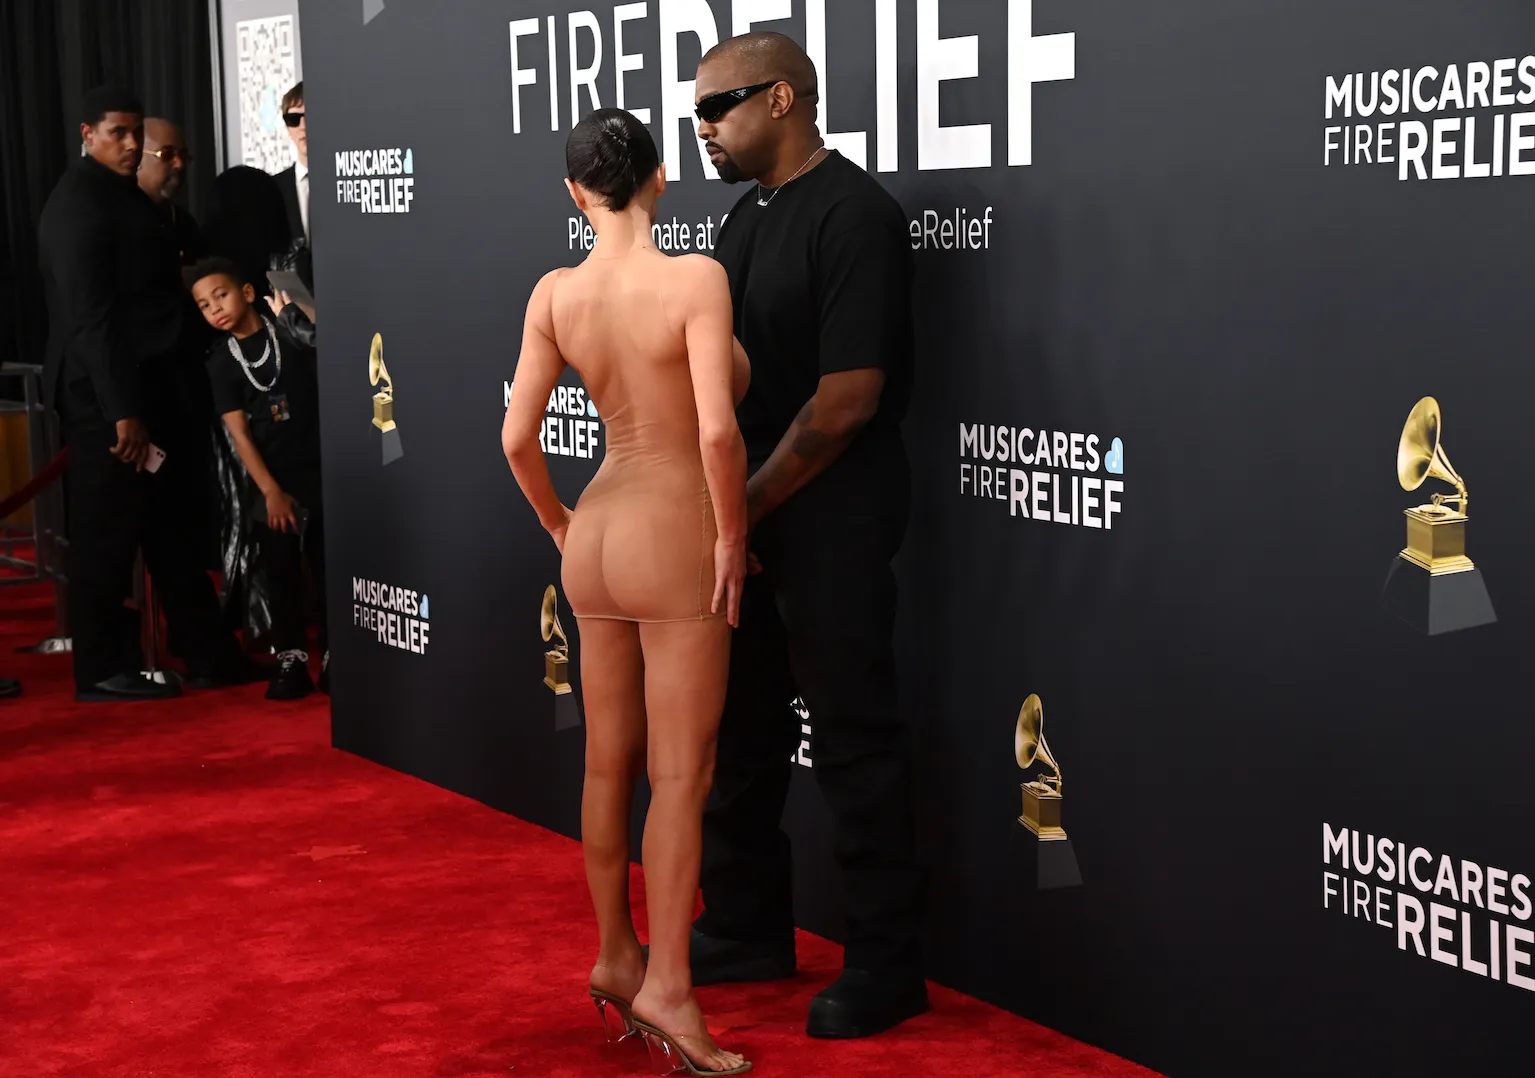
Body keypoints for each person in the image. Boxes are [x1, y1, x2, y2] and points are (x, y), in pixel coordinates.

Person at [686, 33, 928, 1039]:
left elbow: (843, 403)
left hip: (826, 517)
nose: (700, 128)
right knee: (738, 733)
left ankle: (886, 963)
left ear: (782, 97)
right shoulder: (742, 219)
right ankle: (745, 926)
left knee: (851, 740)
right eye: (694, 111)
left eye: (718, 106)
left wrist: (745, 505)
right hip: (745, 525)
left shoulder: (855, 215)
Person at [502, 108, 752, 1074]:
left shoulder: (555, 292)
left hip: (597, 530)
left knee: (608, 768)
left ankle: (615, 954)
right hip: (674, 527)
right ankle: (671, 991)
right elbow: (719, 435)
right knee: (681, 776)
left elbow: (517, 439)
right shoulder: (694, 277)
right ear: (658, 177)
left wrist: (562, 527)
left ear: (575, 192)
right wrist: (733, 535)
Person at [39, 86, 262, 701]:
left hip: (148, 391)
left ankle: (208, 653)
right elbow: (93, 320)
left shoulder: (118, 197)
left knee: (173, 529)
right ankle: (105, 669)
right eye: (118, 132)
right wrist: (123, 413)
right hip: (107, 402)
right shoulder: (81, 205)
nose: (133, 144)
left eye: (138, 132)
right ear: (88, 133)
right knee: (107, 535)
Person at [189, 258, 326, 700]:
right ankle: (291, 655)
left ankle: (335, 650)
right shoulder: (219, 362)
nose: (215, 309)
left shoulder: (287, 331)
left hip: (318, 468)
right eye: (204, 305)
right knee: (280, 568)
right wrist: (270, 491)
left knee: (327, 564)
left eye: (222, 295)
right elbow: (239, 433)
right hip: (272, 480)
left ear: (248, 292)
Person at [136, 118, 204, 265]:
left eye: (183, 156)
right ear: (136, 157)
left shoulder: (185, 224)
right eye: (166, 155)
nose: (179, 164)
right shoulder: (114, 219)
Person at [271, 81, 313, 289]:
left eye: (311, 115)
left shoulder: (348, 181)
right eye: (293, 119)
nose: (303, 126)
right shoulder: (272, 188)